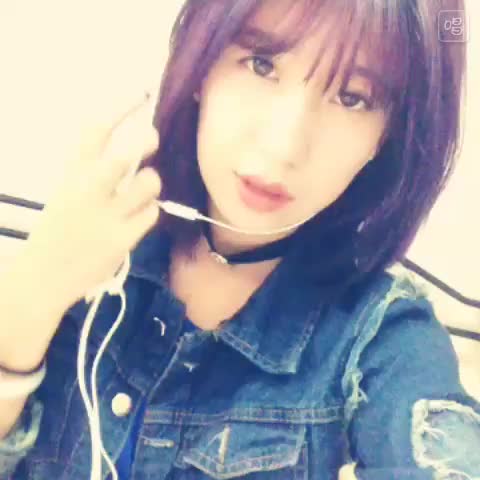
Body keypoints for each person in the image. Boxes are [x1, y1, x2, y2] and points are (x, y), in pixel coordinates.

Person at [1, 0, 479, 478]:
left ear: (388, 136)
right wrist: (32, 295)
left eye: (352, 98)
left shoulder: (381, 338)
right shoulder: (90, 245)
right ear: (201, 65)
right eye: (261, 65)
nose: (283, 146)